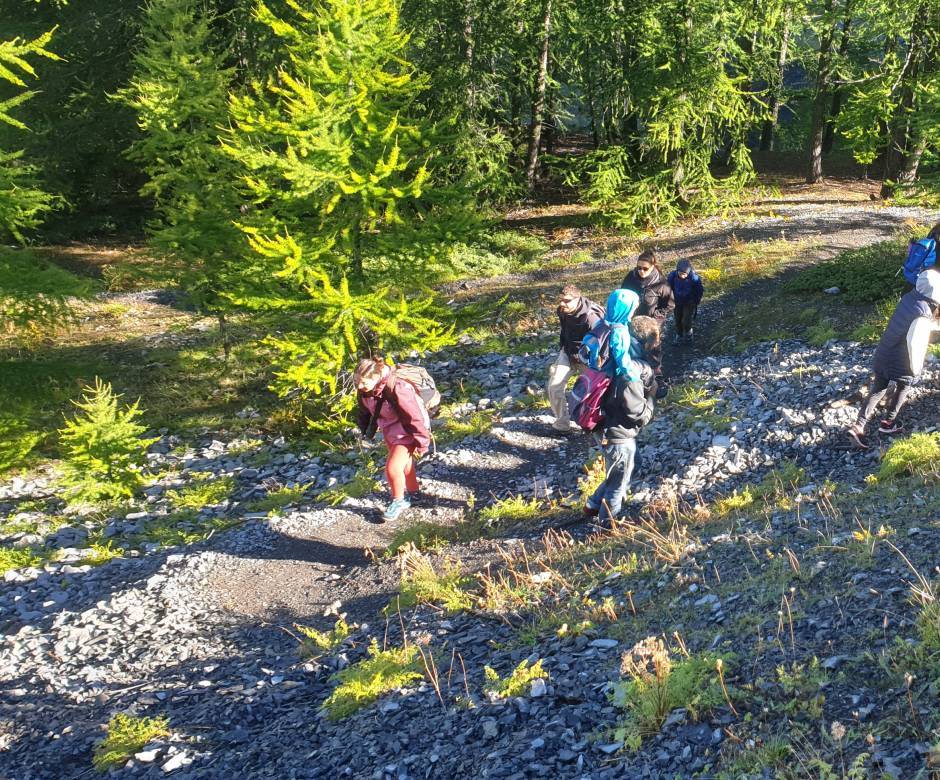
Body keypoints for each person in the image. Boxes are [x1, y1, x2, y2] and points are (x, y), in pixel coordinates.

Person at [848, 269, 940, 448]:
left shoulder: (909, 299)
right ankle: (888, 424)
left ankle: (858, 425)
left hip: (884, 351)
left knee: (878, 388)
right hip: (900, 359)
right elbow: (915, 342)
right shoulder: (923, 313)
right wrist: (915, 370)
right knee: (904, 386)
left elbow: (907, 324)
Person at [583, 322, 656, 523]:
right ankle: (607, 524)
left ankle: (593, 504)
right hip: (618, 434)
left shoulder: (613, 351)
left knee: (634, 464)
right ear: (646, 342)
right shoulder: (629, 369)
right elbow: (637, 413)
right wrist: (651, 399)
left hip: (603, 424)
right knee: (619, 479)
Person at [355, 357, 431, 521]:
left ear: (376, 377)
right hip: (390, 431)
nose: (360, 386)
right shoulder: (365, 390)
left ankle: (399, 501)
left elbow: (414, 417)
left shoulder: (398, 388)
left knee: (392, 468)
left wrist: (422, 442)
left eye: (363, 382)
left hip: (407, 433)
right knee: (405, 465)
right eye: (357, 381)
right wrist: (364, 431)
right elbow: (365, 412)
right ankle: (415, 495)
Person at [547, 284, 604, 431]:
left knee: (591, 392)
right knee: (554, 387)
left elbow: (601, 342)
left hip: (588, 357)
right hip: (567, 352)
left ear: (577, 299)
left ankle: (591, 422)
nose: (562, 304)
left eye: (566, 301)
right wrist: (563, 348)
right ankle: (562, 424)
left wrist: (596, 364)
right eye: (561, 300)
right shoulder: (562, 311)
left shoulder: (591, 318)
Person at [621, 249, 675, 327]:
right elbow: (622, 294)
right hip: (631, 320)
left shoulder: (661, 283)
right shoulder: (631, 277)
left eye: (645, 268)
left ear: (652, 267)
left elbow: (670, 304)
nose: (641, 271)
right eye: (639, 268)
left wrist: (656, 317)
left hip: (651, 323)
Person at [667, 259, 704, 343]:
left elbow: (699, 290)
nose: (682, 276)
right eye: (680, 274)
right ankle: (679, 335)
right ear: (677, 271)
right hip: (677, 301)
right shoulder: (672, 276)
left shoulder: (694, 278)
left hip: (689, 302)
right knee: (678, 319)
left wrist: (696, 301)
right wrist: (669, 300)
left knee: (686, 320)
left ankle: (688, 334)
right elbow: (668, 288)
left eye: (685, 274)